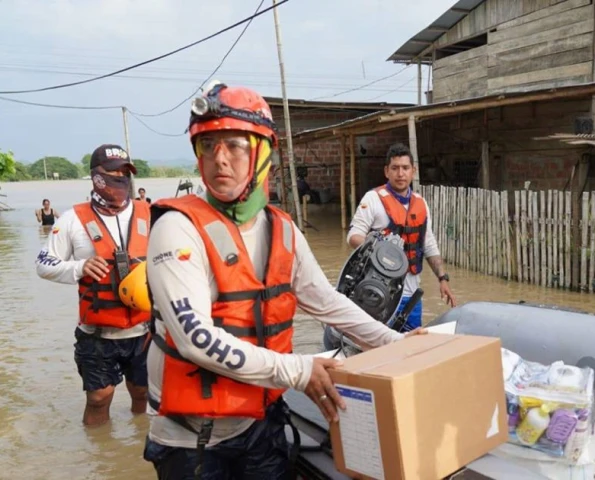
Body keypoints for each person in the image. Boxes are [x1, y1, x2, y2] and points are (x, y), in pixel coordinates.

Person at [142, 81, 426, 479]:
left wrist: (397, 344)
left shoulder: (283, 229)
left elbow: (326, 302)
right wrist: (299, 370)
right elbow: (194, 339)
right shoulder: (176, 229)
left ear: (262, 155)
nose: (219, 159)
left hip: (263, 424)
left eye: (235, 145)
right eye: (208, 146)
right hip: (195, 440)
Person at [35, 144, 151, 427]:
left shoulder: (151, 214)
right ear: (96, 177)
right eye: (114, 172)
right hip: (97, 333)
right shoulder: (73, 219)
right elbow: (43, 263)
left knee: (144, 393)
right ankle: (99, 457)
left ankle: (136, 453)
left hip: (144, 330)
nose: (121, 177)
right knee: (99, 397)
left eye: (126, 172)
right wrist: (79, 267)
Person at [347, 143, 457, 331]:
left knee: (412, 347)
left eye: (405, 168)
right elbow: (353, 237)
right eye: (395, 168)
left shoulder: (421, 203)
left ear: (413, 171)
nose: (400, 174)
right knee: (377, 347)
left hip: (411, 296)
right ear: (386, 171)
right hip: (378, 293)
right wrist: (380, 247)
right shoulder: (372, 199)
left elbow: (429, 245)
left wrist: (442, 278)